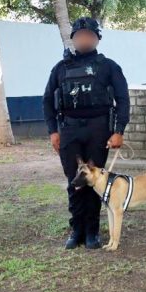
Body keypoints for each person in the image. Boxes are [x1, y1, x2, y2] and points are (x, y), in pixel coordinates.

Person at [43, 17, 130, 250]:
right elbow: (47, 101)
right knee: (75, 181)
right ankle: (77, 230)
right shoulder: (60, 68)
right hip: (69, 129)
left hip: (98, 130)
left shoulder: (109, 66)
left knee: (94, 181)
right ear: (73, 39)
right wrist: (53, 131)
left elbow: (123, 100)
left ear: (97, 39)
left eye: (89, 35)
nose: (84, 39)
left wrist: (118, 131)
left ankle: (92, 231)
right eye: (79, 35)